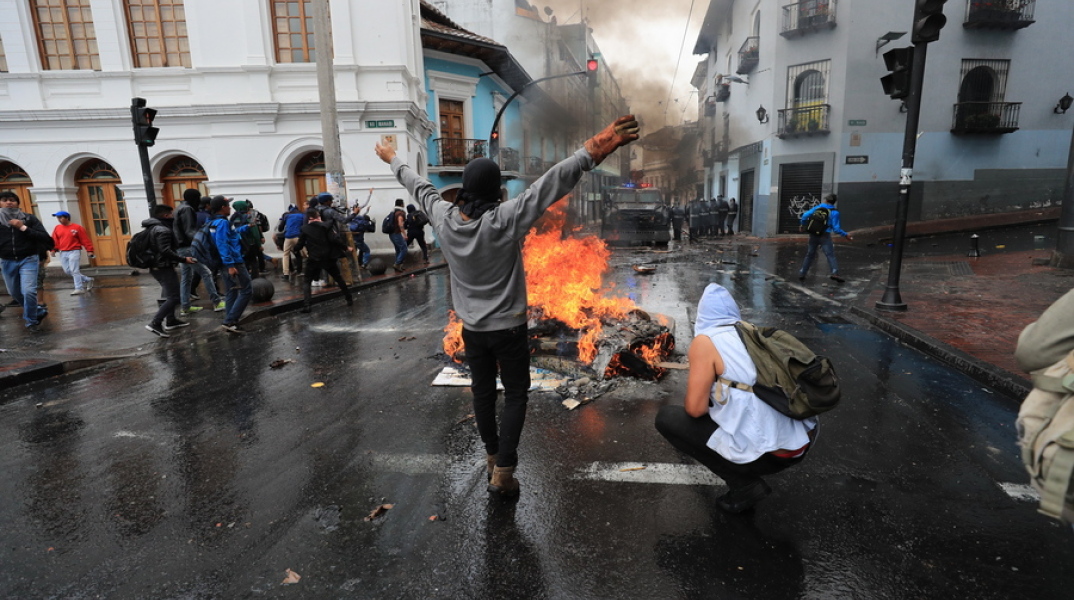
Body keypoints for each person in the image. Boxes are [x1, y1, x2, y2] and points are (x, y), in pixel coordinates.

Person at [376, 114, 639, 497]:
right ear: (495, 190)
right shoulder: (504, 220)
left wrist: (391, 158)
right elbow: (552, 183)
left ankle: (491, 456)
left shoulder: (445, 220)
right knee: (516, 394)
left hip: (473, 332)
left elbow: (419, 187)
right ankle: (504, 470)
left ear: (464, 189)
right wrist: (596, 146)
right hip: (510, 329)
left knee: (483, 393)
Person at [655, 283, 817, 513]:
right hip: (801, 442)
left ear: (702, 315)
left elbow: (695, 409)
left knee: (668, 418)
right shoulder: (753, 333)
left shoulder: (705, 341)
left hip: (770, 454)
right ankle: (746, 467)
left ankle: (744, 486)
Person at [141, 204, 197, 337]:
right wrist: (183, 259)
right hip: (163, 267)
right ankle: (155, 323)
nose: (173, 217)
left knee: (169, 295)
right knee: (174, 297)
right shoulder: (163, 230)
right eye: (172, 214)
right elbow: (165, 250)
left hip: (159, 266)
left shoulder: (153, 228)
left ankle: (171, 320)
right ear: (166, 215)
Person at [0, 191, 52, 329]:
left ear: (18, 203)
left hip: (28, 259)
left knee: (29, 291)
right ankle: (38, 311)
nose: (9, 202)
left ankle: (31, 320)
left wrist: (22, 227)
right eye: (4, 200)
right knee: (15, 293)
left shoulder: (29, 219)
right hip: (7, 261)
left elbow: (45, 238)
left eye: (12, 200)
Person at [294, 207, 353, 313]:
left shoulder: (305, 228)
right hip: (328, 258)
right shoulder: (327, 226)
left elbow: (299, 244)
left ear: (309, 218)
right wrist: (346, 247)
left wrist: (295, 250)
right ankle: (349, 298)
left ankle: (307, 305)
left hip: (314, 258)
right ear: (318, 216)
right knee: (338, 278)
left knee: (307, 281)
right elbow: (335, 239)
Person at [174, 188, 223, 315]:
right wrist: (201, 243)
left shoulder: (179, 208)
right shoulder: (187, 209)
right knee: (206, 272)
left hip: (181, 248)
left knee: (186, 277)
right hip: (188, 247)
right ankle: (216, 302)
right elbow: (189, 231)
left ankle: (185, 306)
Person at [209, 196, 253, 334]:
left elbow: (231, 235)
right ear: (223, 207)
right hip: (233, 261)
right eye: (228, 205)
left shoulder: (213, 222)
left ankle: (231, 322)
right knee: (247, 290)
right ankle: (230, 320)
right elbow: (222, 243)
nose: (230, 207)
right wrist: (230, 265)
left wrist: (247, 227)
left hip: (224, 261)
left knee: (231, 291)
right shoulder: (222, 223)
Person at [797, 193, 852, 284]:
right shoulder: (835, 212)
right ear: (834, 202)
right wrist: (845, 235)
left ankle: (802, 273)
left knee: (810, 254)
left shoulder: (817, 208)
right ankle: (835, 273)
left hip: (813, 235)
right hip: (825, 236)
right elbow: (836, 229)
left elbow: (805, 215)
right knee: (830, 255)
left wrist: (803, 225)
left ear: (826, 200)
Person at [50, 210, 95, 295]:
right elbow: (54, 240)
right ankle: (88, 279)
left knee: (74, 270)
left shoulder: (77, 228)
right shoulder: (57, 228)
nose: (59, 219)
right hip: (63, 251)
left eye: (60, 217)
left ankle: (79, 288)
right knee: (67, 271)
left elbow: (85, 239)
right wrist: (53, 249)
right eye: (58, 218)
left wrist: (89, 250)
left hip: (74, 250)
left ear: (67, 218)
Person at [278, 204, 304, 282]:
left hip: (288, 237)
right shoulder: (302, 215)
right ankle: (300, 271)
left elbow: (280, 228)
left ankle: (286, 274)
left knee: (286, 254)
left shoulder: (287, 216)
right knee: (302, 254)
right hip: (298, 237)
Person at [386, 199, 408, 272]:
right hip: (396, 233)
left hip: (391, 233)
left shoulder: (393, 212)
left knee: (398, 249)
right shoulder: (400, 213)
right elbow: (400, 223)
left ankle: (399, 265)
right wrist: (404, 234)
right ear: (401, 204)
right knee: (404, 248)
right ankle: (397, 263)